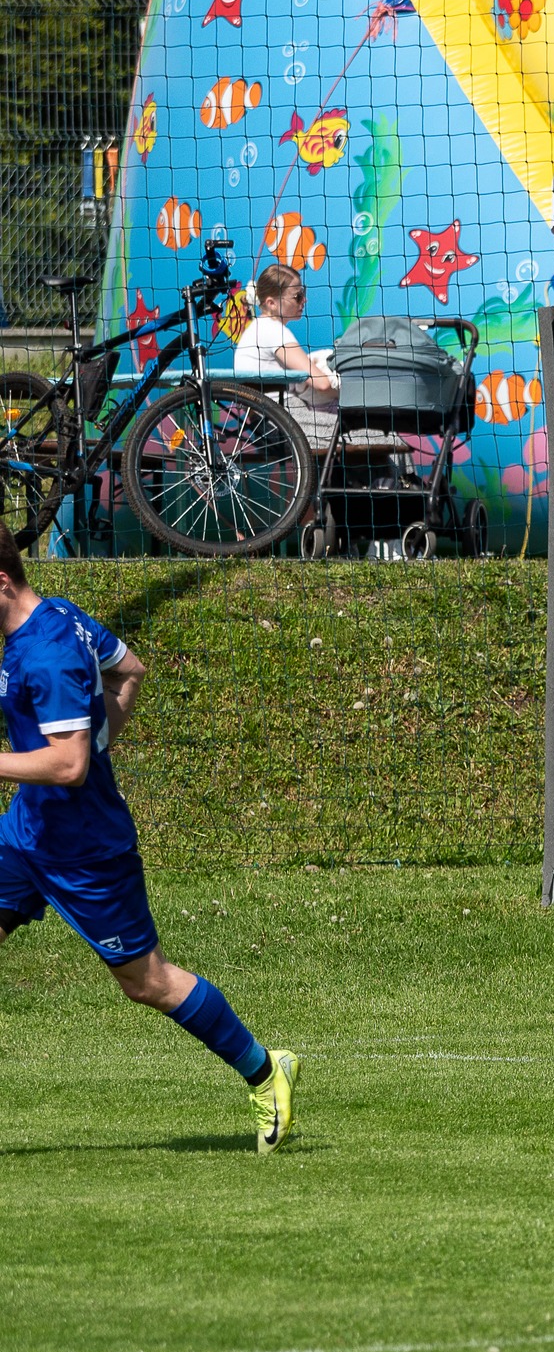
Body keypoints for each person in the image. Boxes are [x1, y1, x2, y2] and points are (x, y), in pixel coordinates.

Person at [0, 527, 299, 1153]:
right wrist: (99, 740)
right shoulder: (57, 615)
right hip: (28, 831)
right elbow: (128, 670)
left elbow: (68, 765)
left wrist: (87, 749)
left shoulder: (45, 654)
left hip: (86, 852)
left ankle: (265, 1070)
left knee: (148, 982)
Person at [235, 263, 339, 442]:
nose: (304, 300)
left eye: (303, 293)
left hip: (264, 422)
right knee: (376, 433)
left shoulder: (258, 328)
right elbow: (322, 383)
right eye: (297, 296)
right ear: (271, 303)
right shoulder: (274, 331)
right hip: (284, 421)